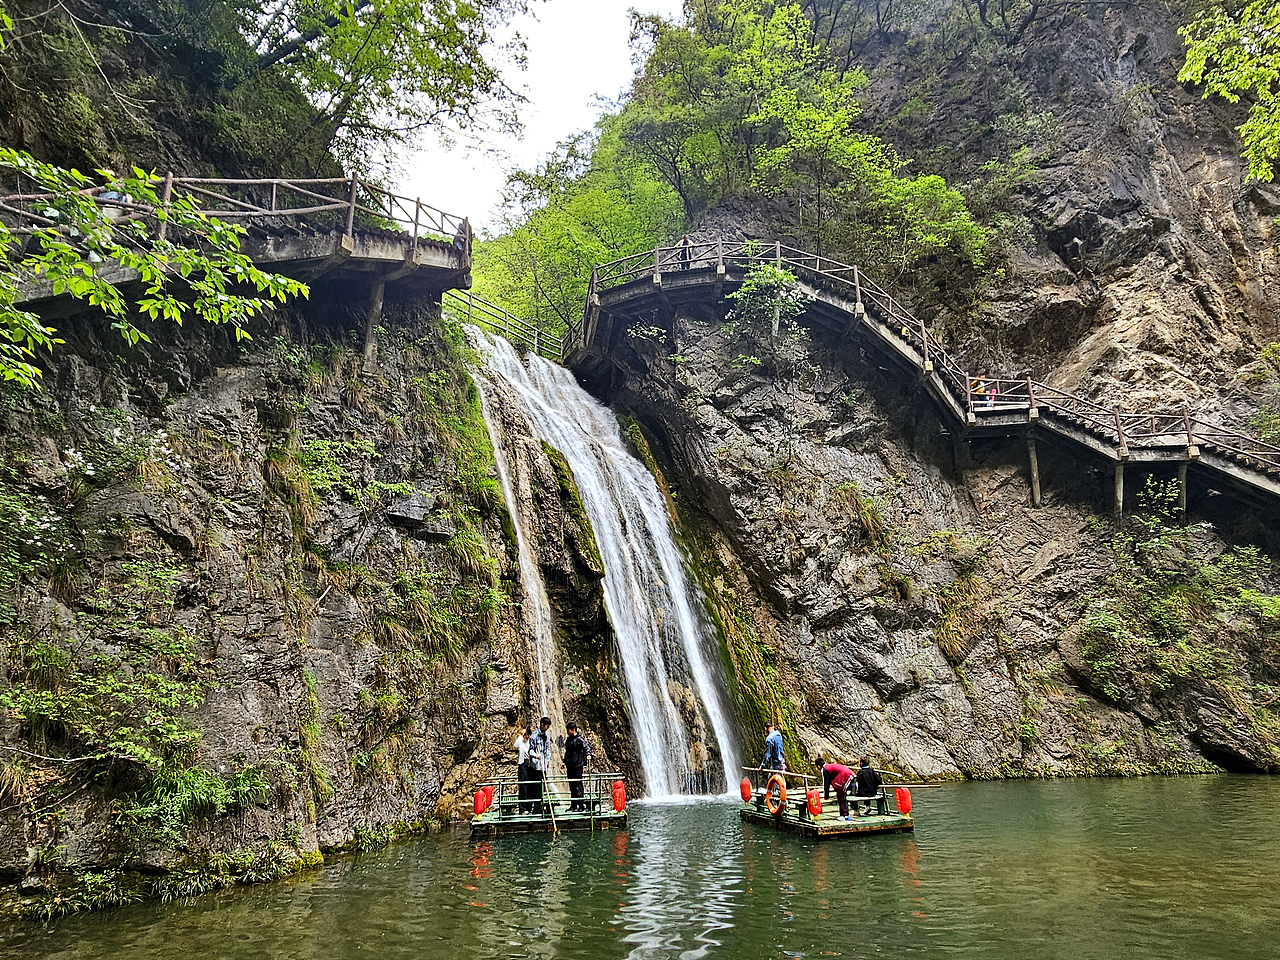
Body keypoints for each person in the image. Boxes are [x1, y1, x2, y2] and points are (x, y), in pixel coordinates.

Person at [562, 721, 594, 812]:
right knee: (572, 786)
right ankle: (573, 805)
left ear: (573, 729)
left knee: (578, 785)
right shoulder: (569, 740)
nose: (567, 732)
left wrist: (588, 755)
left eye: (568, 730)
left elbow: (587, 747)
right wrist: (564, 762)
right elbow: (567, 753)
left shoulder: (579, 739)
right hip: (570, 765)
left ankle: (581, 805)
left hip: (577, 765)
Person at [815, 757, 856, 821]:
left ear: (818, 766)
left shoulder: (825, 770)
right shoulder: (829, 767)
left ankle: (845, 815)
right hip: (847, 775)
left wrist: (826, 797)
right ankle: (844, 814)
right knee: (840, 794)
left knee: (841, 795)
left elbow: (826, 784)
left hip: (846, 776)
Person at [528, 716, 553, 813]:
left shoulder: (546, 736)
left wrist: (547, 761)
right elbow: (530, 750)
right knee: (536, 787)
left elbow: (547, 750)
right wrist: (535, 756)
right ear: (541, 725)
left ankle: (543, 806)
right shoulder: (534, 736)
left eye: (548, 727)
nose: (547, 729)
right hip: (536, 766)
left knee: (543, 786)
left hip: (543, 765)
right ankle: (536, 808)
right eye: (546, 726)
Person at [514, 724, 534, 814]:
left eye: (528, 735)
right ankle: (522, 808)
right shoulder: (521, 741)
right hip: (523, 764)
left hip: (530, 764)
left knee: (530, 786)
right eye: (526, 734)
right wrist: (521, 735)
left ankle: (529, 807)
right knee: (523, 786)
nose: (527, 736)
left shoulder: (531, 742)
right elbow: (515, 746)